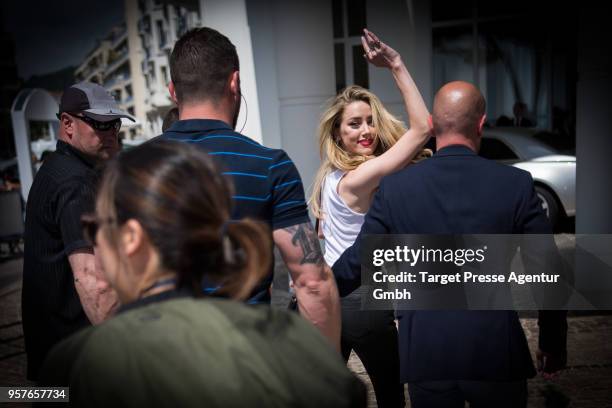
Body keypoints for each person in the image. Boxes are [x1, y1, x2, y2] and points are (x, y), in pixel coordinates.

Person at [39, 140, 366, 407]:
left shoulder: (76, 365)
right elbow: (344, 390)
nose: (95, 242)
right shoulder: (288, 336)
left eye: (96, 227)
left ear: (131, 238)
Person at [332, 81, 567, 408]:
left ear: (433, 125)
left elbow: (358, 261)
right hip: (495, 351)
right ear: (481, 124)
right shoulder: (514, 184)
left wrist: (315, 285)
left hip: (427, 355)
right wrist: (553, 343)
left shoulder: (396, 189)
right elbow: (547, 268)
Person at [160, 27, 341, 347]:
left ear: (173, 91)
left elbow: (104, 285)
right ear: (234, 82)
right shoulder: (270, 166)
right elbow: (312, 281)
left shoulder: (126, 171)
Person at [309, 29, 430, 407]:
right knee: (392, 397)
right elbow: (424, 128)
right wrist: (395, 64)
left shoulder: (330, 177)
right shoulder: (361, 177)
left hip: (333, 302)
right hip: (362, 301)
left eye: (369, 121)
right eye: (354, 124)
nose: (365, 131)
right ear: (338, 133)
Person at [21, 82, 134, 380]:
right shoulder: (75, 183)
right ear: (68, 124)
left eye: (115, 124)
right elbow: (95, 284)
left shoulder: (56, 169)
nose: (111, 133)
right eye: (100, 123)